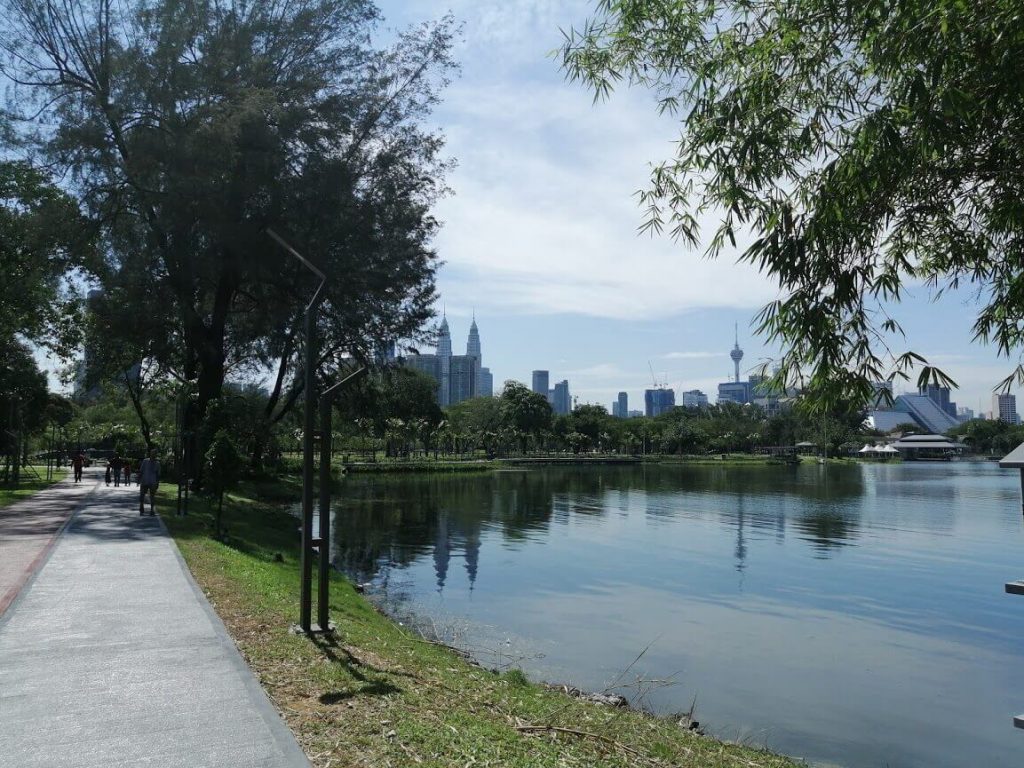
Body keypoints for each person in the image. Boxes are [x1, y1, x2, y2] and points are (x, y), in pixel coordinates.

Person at [138, 449, 160, 516]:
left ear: (156, 455)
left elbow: (158, 474)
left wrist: (157, 483)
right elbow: (141, 470)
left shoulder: (157, 463)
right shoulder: (145, 461)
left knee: (152, 496)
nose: (153, 455)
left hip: (152, 482)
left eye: (154, 454)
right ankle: (141, 506)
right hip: (145, 480)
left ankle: (152, 509)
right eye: (152, 453)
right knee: (142, 495)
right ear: (150, 454)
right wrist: (139, 479)